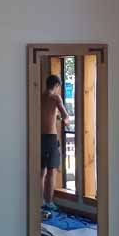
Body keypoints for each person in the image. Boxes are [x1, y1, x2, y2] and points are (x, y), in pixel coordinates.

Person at [41, 74, 69, 210]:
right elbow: (65, 116)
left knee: (41, 171)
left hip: (38, 137)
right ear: (57, 85)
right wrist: (65, 120)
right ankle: (49, 202)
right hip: (50, 137)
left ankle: (40, 202)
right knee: (52, 171)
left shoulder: (39, 97)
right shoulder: (55, 98)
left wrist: (55, 116)